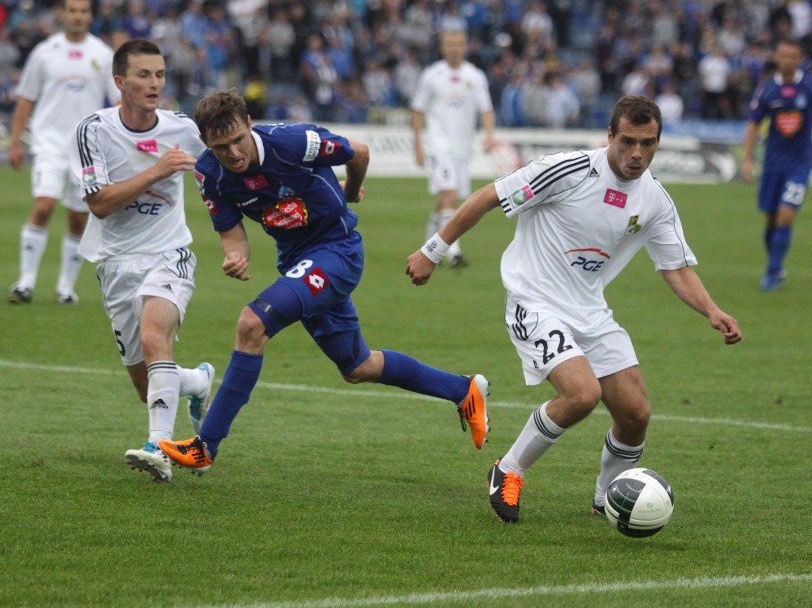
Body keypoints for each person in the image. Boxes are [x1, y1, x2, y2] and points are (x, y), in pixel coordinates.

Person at [406, 95, 742, 523]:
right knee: (583, 394)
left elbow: (674, 267)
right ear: (609, 136)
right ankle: (507, 470)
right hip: (534, 300)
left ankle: (609, 499)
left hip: (589, 310)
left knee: (636, 413)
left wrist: (712, 311)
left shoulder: (654, 199)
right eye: (628, 141)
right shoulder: (568, 169)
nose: (637, 153)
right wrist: (433, 251)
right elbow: (488, 197)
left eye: (649, 143)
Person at [157, 88, 490, 474]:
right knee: (358, 367)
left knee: (252, 324)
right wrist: (236, 256)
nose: (232, 153)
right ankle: (462, 389)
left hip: (337, 252)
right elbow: (232, 235)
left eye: (237, 140)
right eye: (220, 146)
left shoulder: (294, 143)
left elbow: (360, 152)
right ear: (205, 142)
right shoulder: (208, 175)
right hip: (298, 264)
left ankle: (205, 446)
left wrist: (350, 192)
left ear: (250, 125)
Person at [69, 39, 215, 482]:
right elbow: (98, 204)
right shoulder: (93, 129)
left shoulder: (183, 129)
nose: (155, 84)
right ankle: (196, 381)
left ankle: (159, 449)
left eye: (160, 75)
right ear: (120, 81)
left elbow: (230, 167)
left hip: (169, 253)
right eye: (144, 75)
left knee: (156, 338)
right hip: (116, 262)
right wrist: (157, 169)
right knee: (145, 384)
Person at [8, 0, 121, 305]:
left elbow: (117, 101)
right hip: (49, 144)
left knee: (77, 217)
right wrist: (16, 142)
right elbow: (26, 98)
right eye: (72, 10)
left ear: (90, 14)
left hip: (85, 150)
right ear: (62, 13)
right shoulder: (46, 52)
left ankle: (64, 288)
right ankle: (25, 282)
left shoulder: (102, 53)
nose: (78, 16)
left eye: (84, 10)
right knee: (43, 206)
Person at [741, 37, 812, 292]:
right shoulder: (766, 89)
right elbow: (753, 122)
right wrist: (748, 158)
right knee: (772, 218)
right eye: (783, 56)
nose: (787, 61)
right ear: (776, 57)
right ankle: (777, 266)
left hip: (800, 163)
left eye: (793, 57)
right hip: (772, 163)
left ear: (799, 59)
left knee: (785, 215)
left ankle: (772, 271)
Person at [411, 28, 495, 268]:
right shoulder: (432, 74)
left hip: (462, 148)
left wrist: (489, 135)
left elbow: (486, 108)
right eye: (450, 44)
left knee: (445, 198)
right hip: (439, 145)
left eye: (459, 43)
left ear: (465, 46)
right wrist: (418, 145)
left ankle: (428, 245)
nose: (454, 48)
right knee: (449, 195)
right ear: (442, 47)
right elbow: (418, 110)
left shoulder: (475, 75)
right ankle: (453, 252)